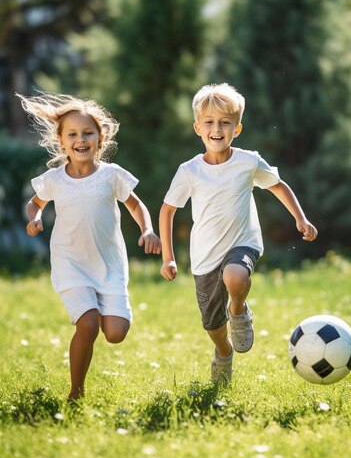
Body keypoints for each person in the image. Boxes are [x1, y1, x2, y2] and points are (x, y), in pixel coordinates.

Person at [159, 83, 318, 383]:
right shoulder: (189, 171)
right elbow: (168, 211)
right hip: (205, 256)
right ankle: (223, 352)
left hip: (242, 243)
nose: (216, 129)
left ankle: (239, 309)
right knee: (213, 327)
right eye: (209, 122)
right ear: (197, 128)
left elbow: (277, 185)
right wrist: (168, 257)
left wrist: (300, 218)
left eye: (224, 123)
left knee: (235, 276)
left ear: (237, 129)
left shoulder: (248, 161)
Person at [18, 91, 161, 401]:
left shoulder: (111, 176)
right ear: (61, 140)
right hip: (71, 263)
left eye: (87, 133)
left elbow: (136, 206)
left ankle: (113, 306)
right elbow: (35, 202)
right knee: (88, 324)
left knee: (115, 334)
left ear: (101, 137)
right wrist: (35, 218)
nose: (80, 139)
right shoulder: (55, 179)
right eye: (72, 134)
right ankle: (76, 392)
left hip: (108, 266)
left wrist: (148, 230)